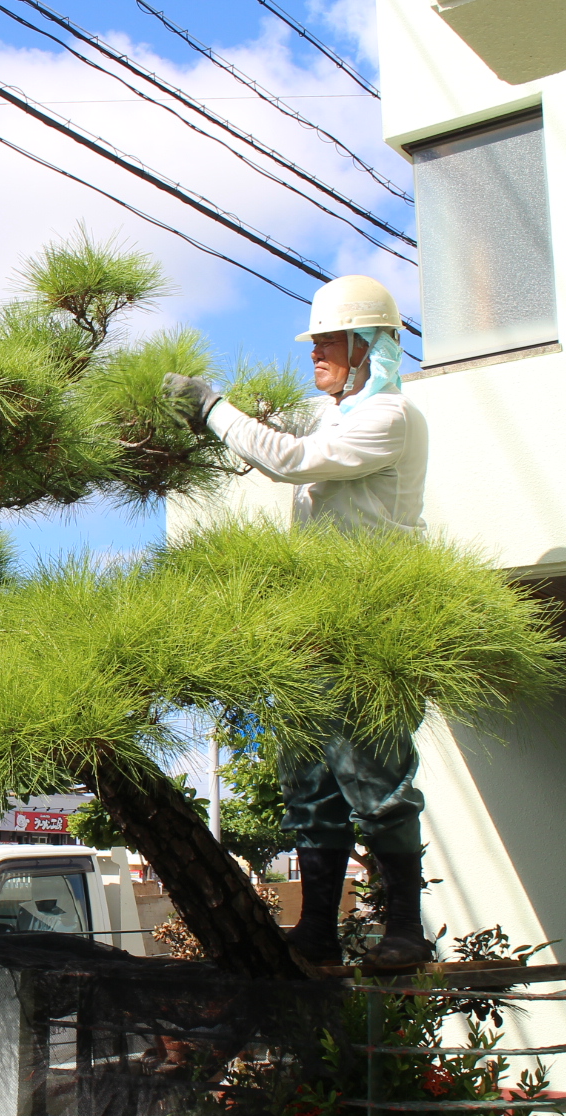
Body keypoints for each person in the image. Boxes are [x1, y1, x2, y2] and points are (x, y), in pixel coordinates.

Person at [162, 275, 432, 965]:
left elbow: (286, 458)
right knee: (308, 781)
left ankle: (405, 928)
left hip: (371, 617)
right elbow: (282, 430)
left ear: (369, 346)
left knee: (377, 778)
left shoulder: (390, 417)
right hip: (313, 617)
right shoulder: (335, 413)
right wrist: (237, 416)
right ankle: (318, 931)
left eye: (329, 341)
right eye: (313, 341)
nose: (315, 353)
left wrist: (213, 407)